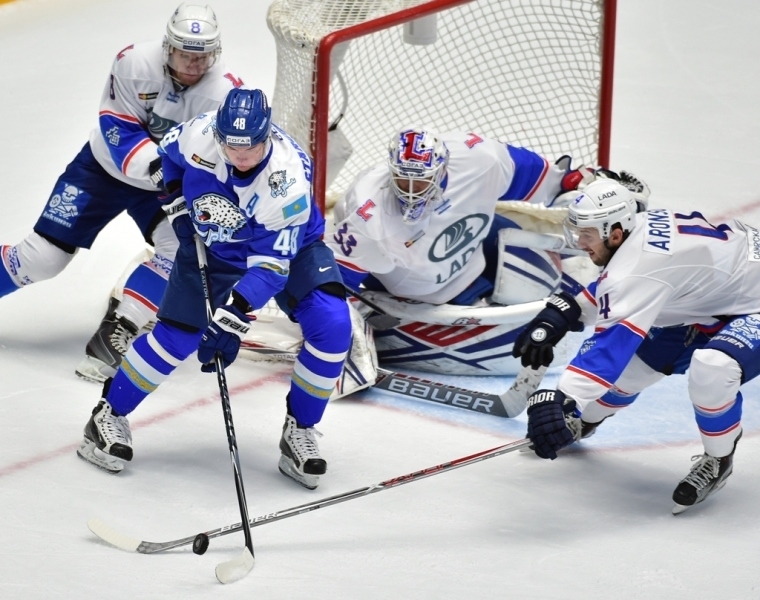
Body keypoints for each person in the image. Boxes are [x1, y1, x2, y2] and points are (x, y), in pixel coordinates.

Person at [76, 88, 352, 491]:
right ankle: (107, 415)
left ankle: (301, 428)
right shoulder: (200, 132)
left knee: (332, 325)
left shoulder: (287, 180)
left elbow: (271, 269)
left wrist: (234, 315)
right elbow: (167, 160)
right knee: (176, 337)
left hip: (290, 249)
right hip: (214, 243)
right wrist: (176, 205)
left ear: (267, 136)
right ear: (218, 134)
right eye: (231, 146)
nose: (240, 156)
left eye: (250, 147)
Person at [0, 3, 244, 384]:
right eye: (186, 54)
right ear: (168, 47)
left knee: (180, 251)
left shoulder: (225, 92)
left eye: (203, 56)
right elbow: (116, 126)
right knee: (43, 258)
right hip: (104, 170)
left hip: (166, 188)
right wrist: (160, 166)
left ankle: (119, 328)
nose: (195, 64)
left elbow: (223, 156)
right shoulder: (133, 63)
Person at [514, 177, 760, 513]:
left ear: (615, 233)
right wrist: (562, 313)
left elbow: (608, 348)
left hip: (750, 303)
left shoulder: (640, 268)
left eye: (587, 234)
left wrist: (560, 400)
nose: (580, 243)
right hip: (718, 297)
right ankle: (585, 421)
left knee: (714, 369)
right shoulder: (635, 231)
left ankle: (719, 458)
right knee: (634, 370)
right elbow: (618, 288)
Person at [327, 125, 648, 307]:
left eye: (421, 181)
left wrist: (582, 185)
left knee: (565, 272)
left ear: (443, 169)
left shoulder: (478, 159)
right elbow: (337, 287)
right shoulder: (367, 213)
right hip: (420, 297)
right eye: (403, 180)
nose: (412, 192)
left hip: (474, 251)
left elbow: (543, 180)